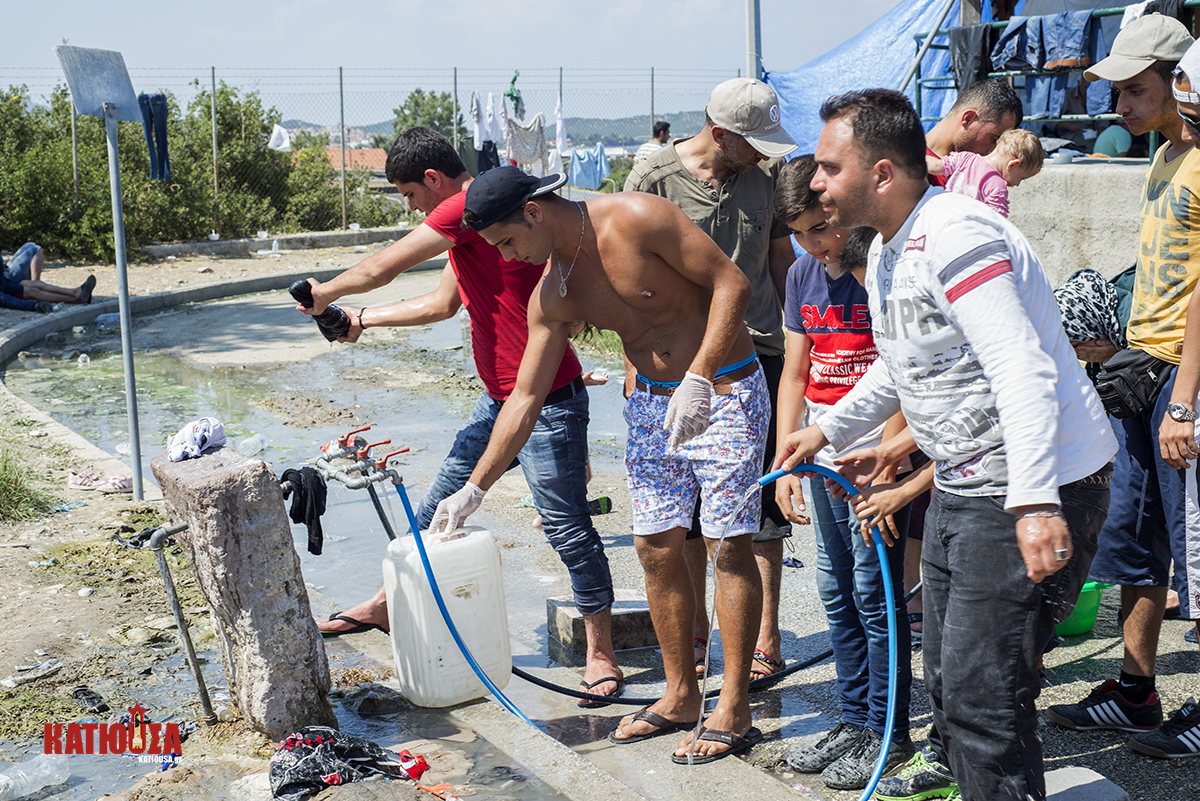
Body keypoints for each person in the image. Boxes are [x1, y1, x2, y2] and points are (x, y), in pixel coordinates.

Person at [775, 88, 1115, 801]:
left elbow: (1018, 364)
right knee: (954, 689)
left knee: (985, 699)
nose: (814, 182)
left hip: (1028, 487)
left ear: (881, 174)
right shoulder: (891, 251)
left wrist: (1032, 503)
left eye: (830, 168)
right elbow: (903, 365)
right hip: (965, 484)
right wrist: (829, 427)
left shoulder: (958, 235)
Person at [440, 165, 770, 764]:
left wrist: (700, 373)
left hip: (723, 390)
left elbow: (732, 284)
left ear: (534, 212)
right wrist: (474, 488)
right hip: (650, 403)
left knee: (728, 544)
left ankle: (735, 706)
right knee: (655, 545)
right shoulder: (553, 291)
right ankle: (678, 693)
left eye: (509, 242)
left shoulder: (637, 218)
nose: (509, 258)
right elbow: (524, 396)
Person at [298, 127, 624, 706]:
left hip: (549, 399)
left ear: (432, 180)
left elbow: (384, 265)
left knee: (566, 525)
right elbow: (443, 304)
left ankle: (601, 651)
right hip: (499, 399)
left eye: (408, 196)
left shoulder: (461, 209)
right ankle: (384, 607)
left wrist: (325, 292)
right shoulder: (475, 227)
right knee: (434, 512)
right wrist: (363, 320)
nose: (412, 209)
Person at [1045, 15, 1200, 760]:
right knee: (1134, 544)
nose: (1120, 107)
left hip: (1182, 382)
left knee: (1196, 548)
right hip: (1145, 367)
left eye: (1136, 90)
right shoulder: (1166, 152)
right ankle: (1137, 692)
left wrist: (1182, 396)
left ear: (1178, 78)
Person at [624, 77, 798, 684]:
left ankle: (765, 636)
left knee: (756, 511)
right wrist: (632, 367)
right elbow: (630, 278)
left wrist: (801, 336)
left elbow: (781, 264)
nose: (761, 154)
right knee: (685, 513)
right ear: (719, 134)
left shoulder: (765, 181)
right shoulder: (654, 181)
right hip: (675, 365)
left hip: (756, 358)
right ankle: (697, 634)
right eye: (752, 143)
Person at [771, 155, 915, 790]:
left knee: (874, 596)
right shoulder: (804, 273)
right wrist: (788, 462)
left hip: (875, 461)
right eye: (799, 234)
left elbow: (904, 375)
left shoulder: (877, 269)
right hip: (821, 450)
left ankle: (891, 728)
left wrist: (889, 464)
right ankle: (854, 719)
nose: (813, 244)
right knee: (834, 590)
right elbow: (795, 373)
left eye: (818, 228)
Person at [923, 77, 1023, 187]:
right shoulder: (908, 163)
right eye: (994, 140)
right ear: (968, 119)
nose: (993, 152)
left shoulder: (977, 176)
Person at [927, 127, 1044, 217]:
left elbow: (935, 166)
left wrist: (912, 155)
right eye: (1022, 178)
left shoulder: (965, 158)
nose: (1018, 184)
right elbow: (997, 222)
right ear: (1013, 164)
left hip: (942, 218)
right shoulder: (998, 186)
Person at [0, 243, 96, 309]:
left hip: (4, 280)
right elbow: (4, 299)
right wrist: (34, 305)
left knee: (36, 285)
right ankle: (77, 299)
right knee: (33, 291)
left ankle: (75, 292)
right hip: (4, 285)